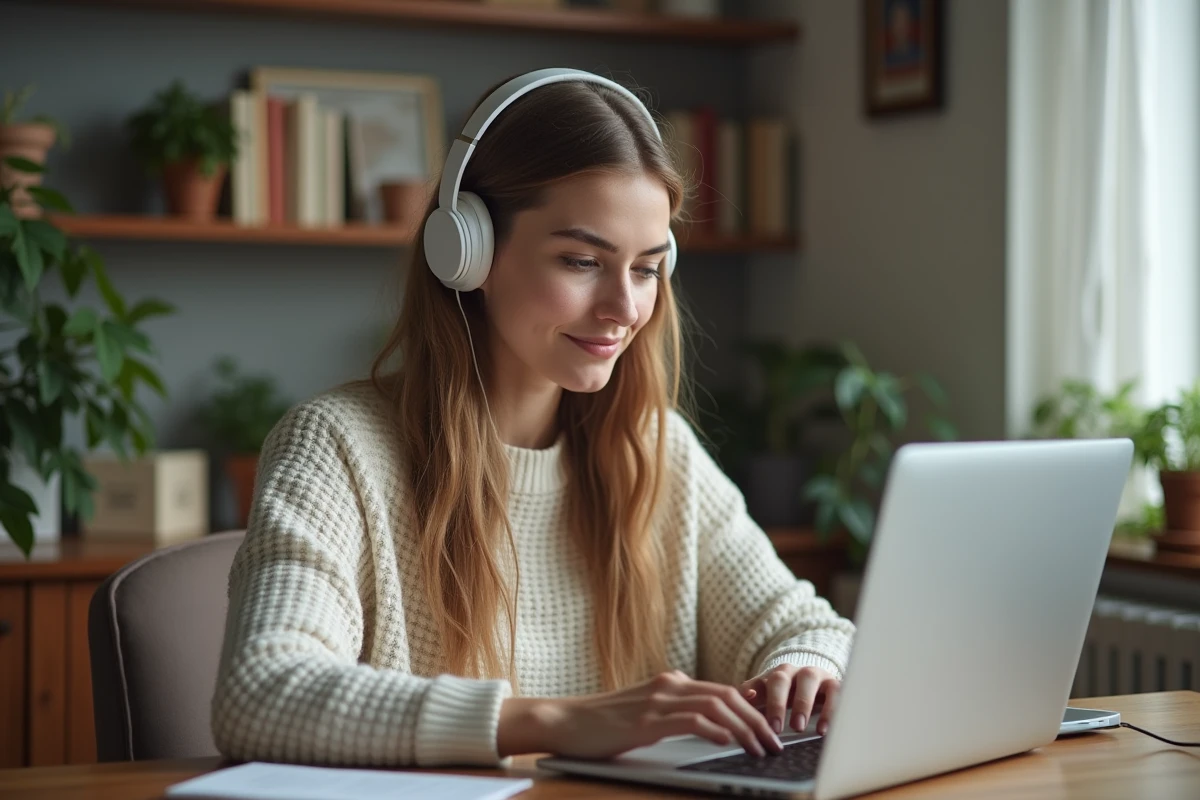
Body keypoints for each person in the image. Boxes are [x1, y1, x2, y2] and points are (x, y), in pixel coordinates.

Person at [211, 69, 855, 769]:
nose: (623, 308)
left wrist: (807, 665)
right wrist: (552, 721)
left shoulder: (655, 449)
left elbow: (806, 625)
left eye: (645, 268)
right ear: (467, 252)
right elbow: (261, 692)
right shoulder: (338, 447)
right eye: (582, 260)